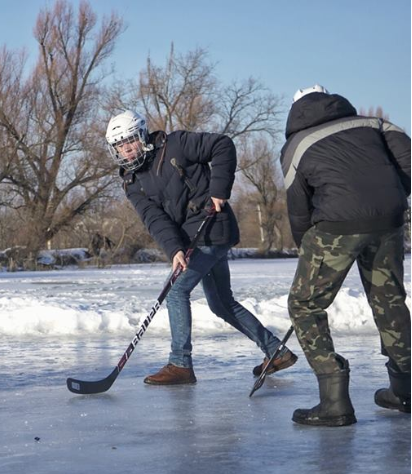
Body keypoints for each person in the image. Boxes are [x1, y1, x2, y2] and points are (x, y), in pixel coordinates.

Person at [105, 110, 297, 385]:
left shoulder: (177, 145)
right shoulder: (131, 181)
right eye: (120, 146)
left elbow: (222, 145)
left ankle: (180, 364)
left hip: (213, 226)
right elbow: (155, 219)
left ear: (142, 135)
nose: (126, 149)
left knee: (176, 291)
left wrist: (219, 189)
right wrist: (174, 250)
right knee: (220, 303)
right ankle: (275, 351)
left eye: (130, 141)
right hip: (189, 241)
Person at [280, 84, 411, 426]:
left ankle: (334, 402)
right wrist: (392, 199)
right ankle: (406, 390)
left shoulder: (296, 145)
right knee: (389, 300)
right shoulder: (374, 124)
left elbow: (298, 209)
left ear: (296, 112)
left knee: (305, 305)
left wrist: (304, 249)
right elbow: (408, 161)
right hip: (389, 218)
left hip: (336, 226)